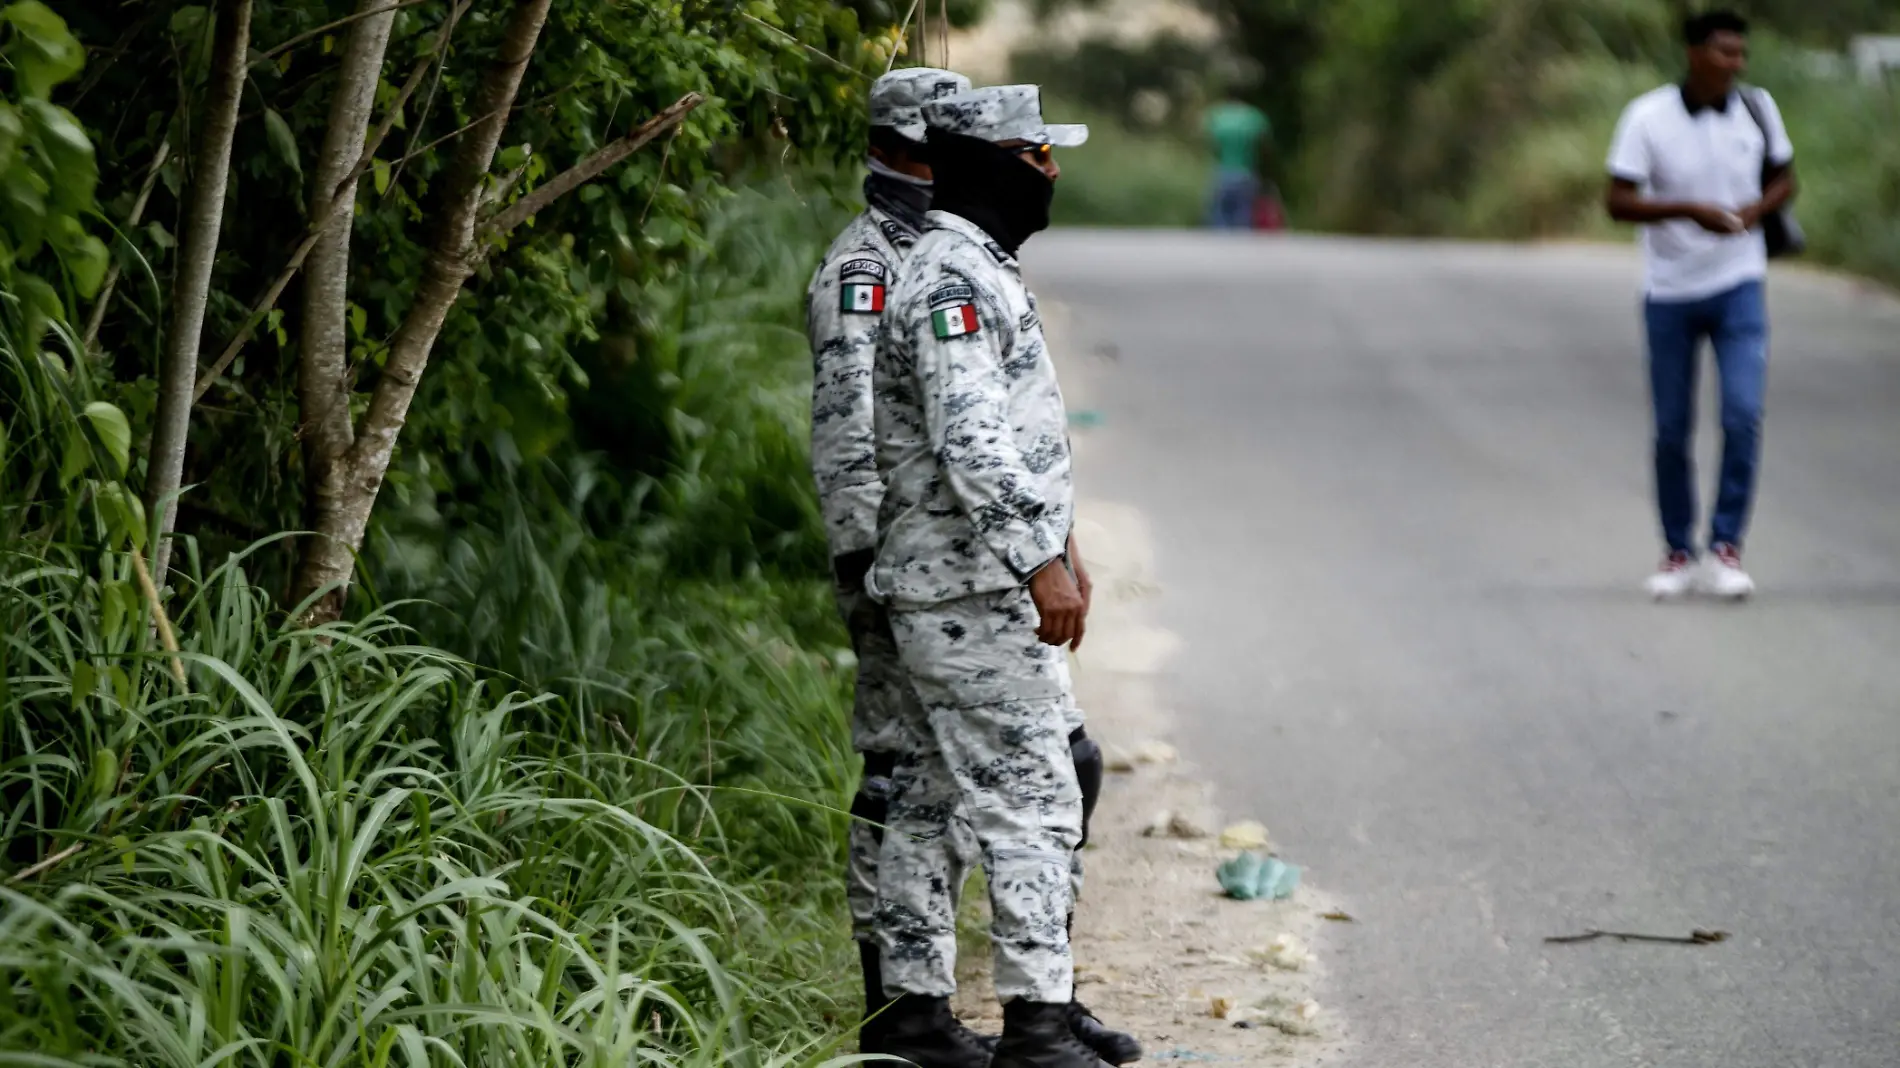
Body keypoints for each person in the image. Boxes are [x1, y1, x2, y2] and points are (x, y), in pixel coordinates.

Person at [806, 71, 1137, 1065]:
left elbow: (1004, 436)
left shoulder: (962, 262)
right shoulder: (946, 277)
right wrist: (1040, 559)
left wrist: (1055, 537)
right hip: (963, 583)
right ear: (990, 164)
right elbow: (968, 436)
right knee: (1035, 789)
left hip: (947, 574)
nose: (1051, 169)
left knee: (925, 797)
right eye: (1037, 153)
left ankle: (912, 1017)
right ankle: (1037, 1025)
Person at [806, 66, 987, 1058]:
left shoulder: (937, 252)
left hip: (937, 561)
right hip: (893, 562)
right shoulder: (864, 270)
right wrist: (872, 563)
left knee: (928, 773)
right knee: (898, 770)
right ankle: (895, 1005)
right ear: (917, 152)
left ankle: (918, 991)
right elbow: (847, 430)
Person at [1605, 9, 1795, 601]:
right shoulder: (1647, 117)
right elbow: (1617, 200)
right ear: (1693, 54)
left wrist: (1757, 212)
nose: (1735, 64)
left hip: (1740, 284)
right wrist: (1688, 211)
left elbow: (1786, 176)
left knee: (1742, 415)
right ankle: (1677, 551)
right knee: (1671, 429)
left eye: (1741, 53)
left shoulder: (1757, 108)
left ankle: (1726, 545)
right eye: (1723, 52)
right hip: (1670, 291)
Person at [1202, 94, 1270, 230]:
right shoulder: (1253, 117)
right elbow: (1264, 145)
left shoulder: (1218, 117)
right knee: (1244, 216)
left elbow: (1212, 146)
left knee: (1219, 216)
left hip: (1223, 173)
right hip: (1246, 172)